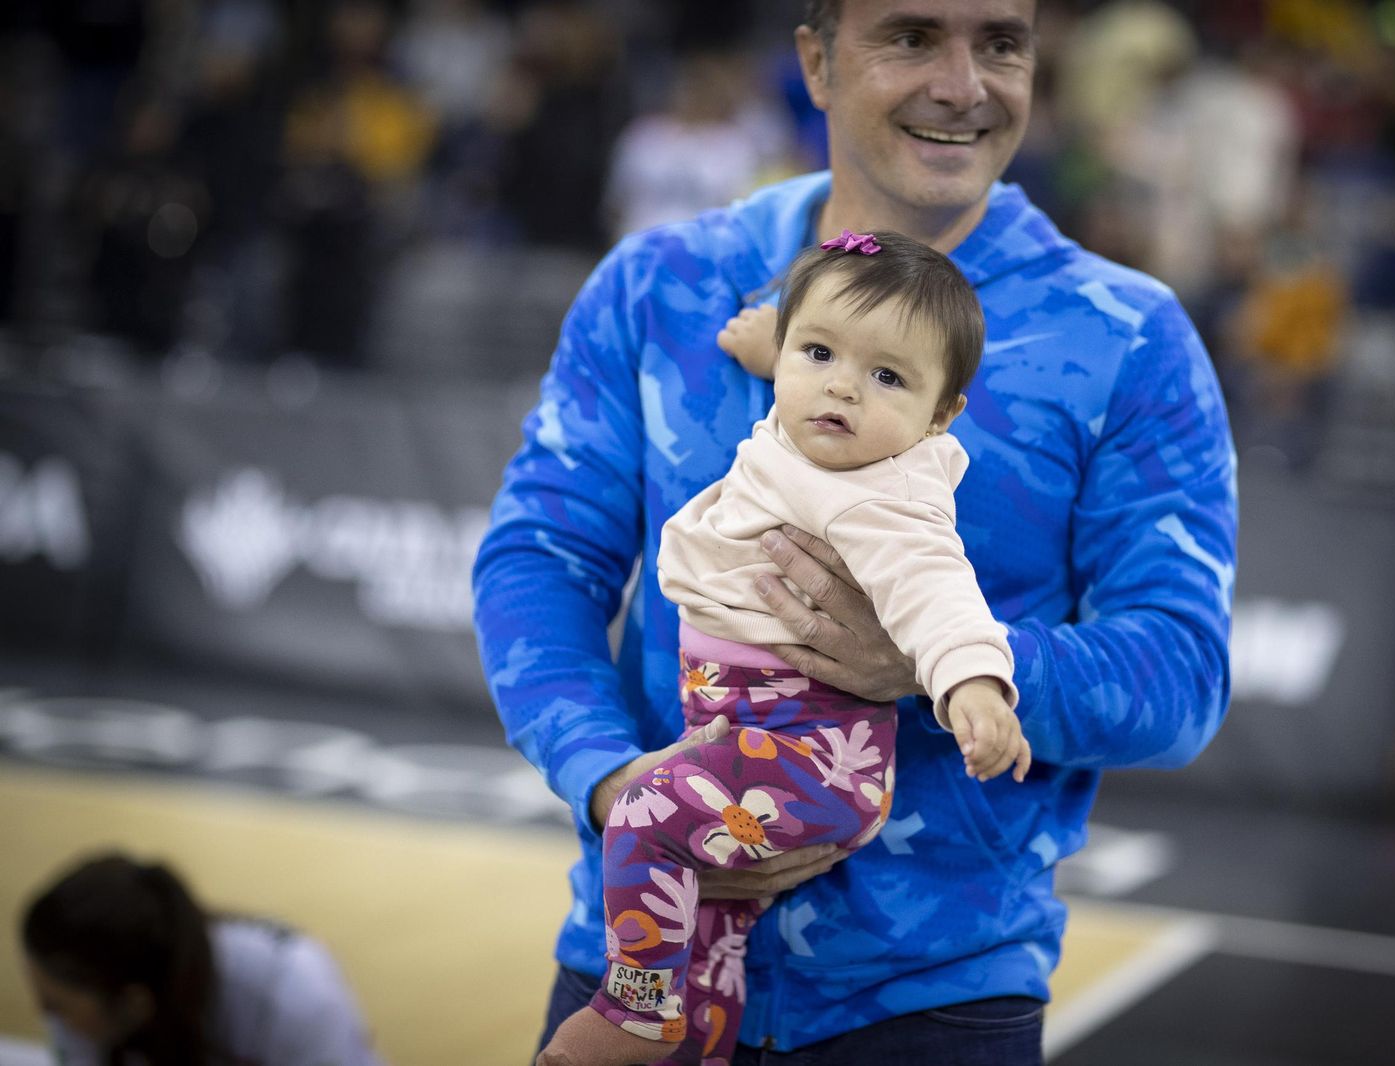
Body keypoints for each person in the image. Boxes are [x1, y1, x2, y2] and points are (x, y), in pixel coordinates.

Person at [472, 1, 1237, 1062]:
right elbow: (536, 562)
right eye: (913, 37)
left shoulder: (1126, 337)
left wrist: (937, 661)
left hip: (931, 1003)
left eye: (1001, 44)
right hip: (643, 956)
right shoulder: (662, 286)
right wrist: (613, 785)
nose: (964, 83)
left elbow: (1182, 673)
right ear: (817, 62)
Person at [546, 229, 1031, 1066]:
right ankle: (697, 1038)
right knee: (715, 925)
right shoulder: (819, 419)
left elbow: (939, 594)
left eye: (887, 377)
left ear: (941, 414)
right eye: (818, 352)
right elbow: (830, 372)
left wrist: (974, 686)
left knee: (644, 815)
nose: (841, 386)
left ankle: (633, 1011)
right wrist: (779, 349)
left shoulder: (889, 496)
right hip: (749, 730)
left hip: (811, 751)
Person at [19, 852, 382, 1066]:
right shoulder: (91, 1011)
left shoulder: (295, 995)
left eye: (54, 1005)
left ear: (135, 1005)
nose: (46, 1017)